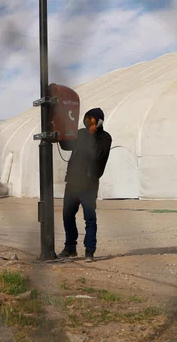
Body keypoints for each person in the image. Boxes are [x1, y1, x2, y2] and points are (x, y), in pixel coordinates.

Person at [61, 108, 112, 262]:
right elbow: (66, 145)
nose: (88, 122)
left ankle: (89, 250)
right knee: (67, 216)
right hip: (73, 182)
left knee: (89, 218)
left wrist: (91, 136)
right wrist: (61, 133)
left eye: (92, 120)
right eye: (87, 119)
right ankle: (70, 248)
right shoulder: (80, 133)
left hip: (89, 184)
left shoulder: (105, 138)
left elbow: (97, 155)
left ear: (99, 122)